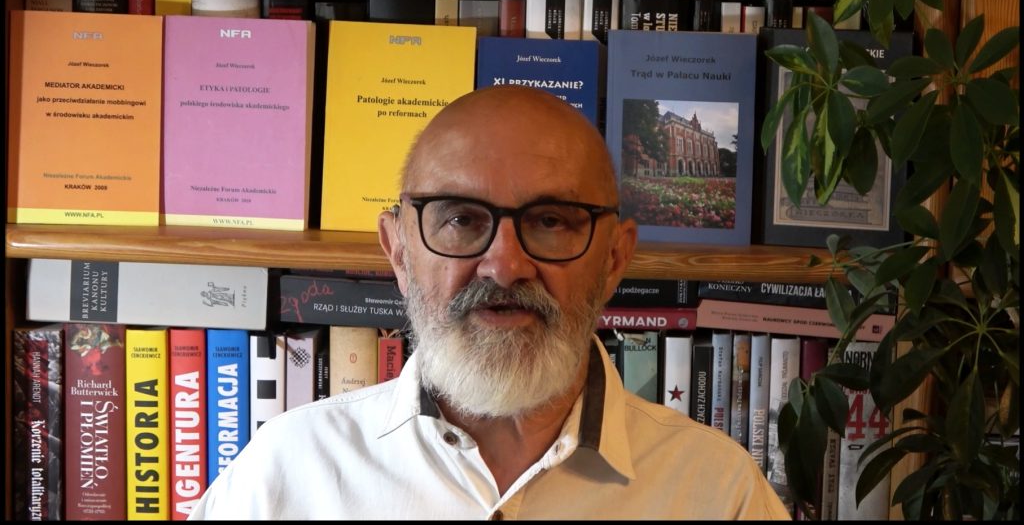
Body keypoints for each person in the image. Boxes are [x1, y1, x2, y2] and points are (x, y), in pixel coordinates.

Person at [189, 86, 791, 520]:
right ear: (399, 253)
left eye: (551, 221)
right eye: (460, 219)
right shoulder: (282, 477)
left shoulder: (720, 493)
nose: (504, 266)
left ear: (613, 259)